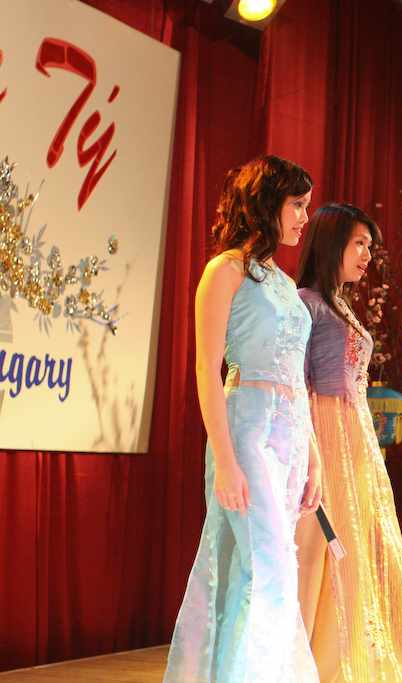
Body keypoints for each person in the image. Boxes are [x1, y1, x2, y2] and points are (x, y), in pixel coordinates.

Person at [164, 155, 322, 683]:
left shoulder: (283, 281)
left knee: (262, 568)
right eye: (296, 204)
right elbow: (206, 370)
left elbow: (296, 376)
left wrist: (314, 458)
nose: (304, 217)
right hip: (246, 430)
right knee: (269, 565)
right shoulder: (224, 271)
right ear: (266, 203)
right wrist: (226, 460)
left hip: (289, 436)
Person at [294, 203, 402, 682]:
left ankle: (341, 657)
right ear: (332, 243)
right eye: (359, 244)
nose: (367, 256)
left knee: (349, 547)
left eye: (369, 246)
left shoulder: (339, 303)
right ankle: (304, 662)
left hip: (352, 434)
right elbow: (296, 383)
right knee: (316, 545)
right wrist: (307, 448)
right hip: (323, 431)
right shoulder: (306, 303)